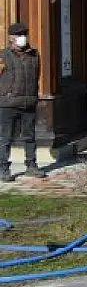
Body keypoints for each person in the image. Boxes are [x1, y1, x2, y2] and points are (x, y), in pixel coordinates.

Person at [0, 23, 45, 182]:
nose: (23, 38)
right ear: (11, 38)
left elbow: (36, 75)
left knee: (30, 137)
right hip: (8, 103)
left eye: (24, 34)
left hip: (29, 102)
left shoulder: (34, 54)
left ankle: (31, 165)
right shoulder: (4, 55)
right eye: (19, 35)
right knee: (5, 138)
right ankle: (3, 168)